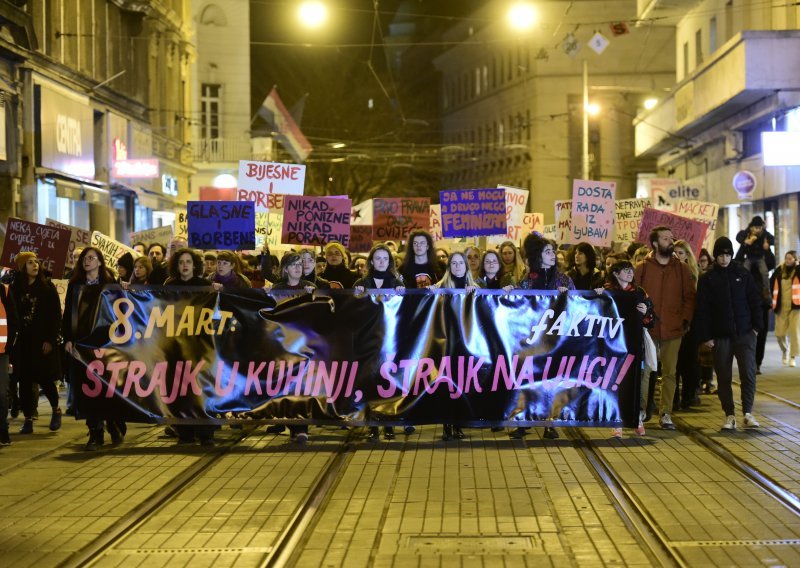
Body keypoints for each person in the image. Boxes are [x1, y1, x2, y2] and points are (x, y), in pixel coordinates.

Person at [695, 237, 763, 430]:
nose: (724, 258)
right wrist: (706, 336)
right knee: (723, 376)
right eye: (720, 255)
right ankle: (729, 414)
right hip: (720, 336)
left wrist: (756, 328)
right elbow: (702, 310)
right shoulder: (708, 278)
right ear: (715, 256)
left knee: (748, 374)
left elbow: (754, 301)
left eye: (727, 254)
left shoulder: (743, 273)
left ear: (731, 255)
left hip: (745, 333)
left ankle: (748, 412)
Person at [513, 234, 575, 440]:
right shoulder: (527, 279)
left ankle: (550, 423)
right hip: (532, 340)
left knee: (551, 382)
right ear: (539, 256)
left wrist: (568, 296)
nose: (553, 255)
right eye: (548, 251)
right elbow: (518, 304)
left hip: (555, 341)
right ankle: (524, 421)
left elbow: (577, 305)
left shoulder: (564, 279)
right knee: (529, 381)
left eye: (553, 251)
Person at [63, 246, 126, 450]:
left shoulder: (110, 284)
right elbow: (68, 315)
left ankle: (113, 421)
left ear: (100, 261)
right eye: (84, 258)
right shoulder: (75, 286)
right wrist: (68, 339)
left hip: (107, 343)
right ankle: (95, 432)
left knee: (107, 387)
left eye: (92, 258)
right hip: (83, 343)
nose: (87, 261)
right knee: (89, 389)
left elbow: (121, 310)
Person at [634, 226, 696, 430]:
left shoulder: (681, 269)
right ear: (654, 243)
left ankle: (666, 413)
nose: (671, 241)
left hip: (673, 328)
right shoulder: (642, 267)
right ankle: (642, 409)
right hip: (647, 329)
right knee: (646, 371)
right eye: (665, 238)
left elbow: (689, 298)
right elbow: (633, 294)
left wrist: (685, 320)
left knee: (670, 372)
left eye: (671, 237)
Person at [353, 244, 409, 441]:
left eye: (385, 259)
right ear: (371, 261)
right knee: (370, 382)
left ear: (390, 262)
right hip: (368, 340)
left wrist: (403, 291)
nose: (381, 262)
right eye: (378, 258)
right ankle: (373, 425)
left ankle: (389, 424)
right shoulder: (362, 282)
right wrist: (357, 292)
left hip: (389, 340)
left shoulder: (397, 283)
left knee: (388, 383)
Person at [163, 249, 215, 445]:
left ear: (194, 265)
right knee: (182, 390)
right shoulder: (170, 286)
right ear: (176, 266)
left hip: (201, 345)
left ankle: (206, 433)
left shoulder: (205, 286)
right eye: (181, 262)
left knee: (202, 390)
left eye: (188, 262)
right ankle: (185, 432)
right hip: (178, 345)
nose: (185, 265)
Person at [8, 253, 63, 436]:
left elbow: (55, 316)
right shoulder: (15, 288)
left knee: (46, 379)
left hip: (42, 342)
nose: (35, 265)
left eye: (36, 262)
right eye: (30, 263)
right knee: (24, 382)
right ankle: (28, 419)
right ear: (23, 267)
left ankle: (56, 410)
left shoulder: (47, 287)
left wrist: (50, 339)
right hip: (23, 343)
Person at [265, 253, 317, 443]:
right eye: (293, 265)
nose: (298, 268)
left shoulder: (309, 287)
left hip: (303, 344)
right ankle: (291, 425)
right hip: (282, 345)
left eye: (300, 264)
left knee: (301, 386)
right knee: (286, 386)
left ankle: (301, 428)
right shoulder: (277, 289)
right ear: (285, 269)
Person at [605, 260, 657, 437]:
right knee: (614, 381)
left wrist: (646, 311)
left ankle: (636, 418)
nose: (629, 273)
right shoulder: (606, 291)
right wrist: (597, 295)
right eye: (625, 270)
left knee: (635, 380)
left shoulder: (640, 292)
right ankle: (616, 420)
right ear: (615, 273)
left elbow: (652, 318)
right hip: (612, 344)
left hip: (634, 343)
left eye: (631, 270)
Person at [435, 251, 480, 441]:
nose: (457, 266)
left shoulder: (477, 287)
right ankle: (447, 424)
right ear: (449, 267)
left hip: (466, 345)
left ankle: (459, 423)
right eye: (453, 263)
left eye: (460, 263)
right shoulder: (440, 287)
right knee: (446, 384)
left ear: (466, 266)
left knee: (463, 385)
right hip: (447, 345)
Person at [673, 240, 701, 410]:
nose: (677, 256)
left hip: (691, 325)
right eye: (674, 253)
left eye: (680, 253)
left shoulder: (695, 275)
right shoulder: (669, 273)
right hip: (674, 324)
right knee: (673, 364)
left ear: (687, 256)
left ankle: (688, 396)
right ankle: (674, 398)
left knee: (689, 362)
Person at [770, 251, 800, 367]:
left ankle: (793, 357)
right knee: (779, 334)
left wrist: (797, 266)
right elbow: (771, 282)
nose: (787, 260)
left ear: (795, 259)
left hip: (795, 307)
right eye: (786, 258)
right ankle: (785, 350)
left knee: (795, 333)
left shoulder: (798, 270)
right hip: (781, 307)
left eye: (790, 259)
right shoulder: (779, 270)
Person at [735, 215, 775, 297]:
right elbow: (739, 237)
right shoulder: (747, 233)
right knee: (744, 272)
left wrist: (768, 244)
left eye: (759, 228)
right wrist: (745, 241)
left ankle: (766, 289)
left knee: (764, 273)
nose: (758, 230)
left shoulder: (764, 234)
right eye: (755, 227)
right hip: (749, 257)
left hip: (760, 258)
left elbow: (772, 239)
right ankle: (742, 288)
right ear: (751, 227)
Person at [0, 282, 12, 445]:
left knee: (1, 393)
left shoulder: (4, 290)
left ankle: (2, 429)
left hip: (1, 352)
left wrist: (10, 346)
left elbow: (13, 320)